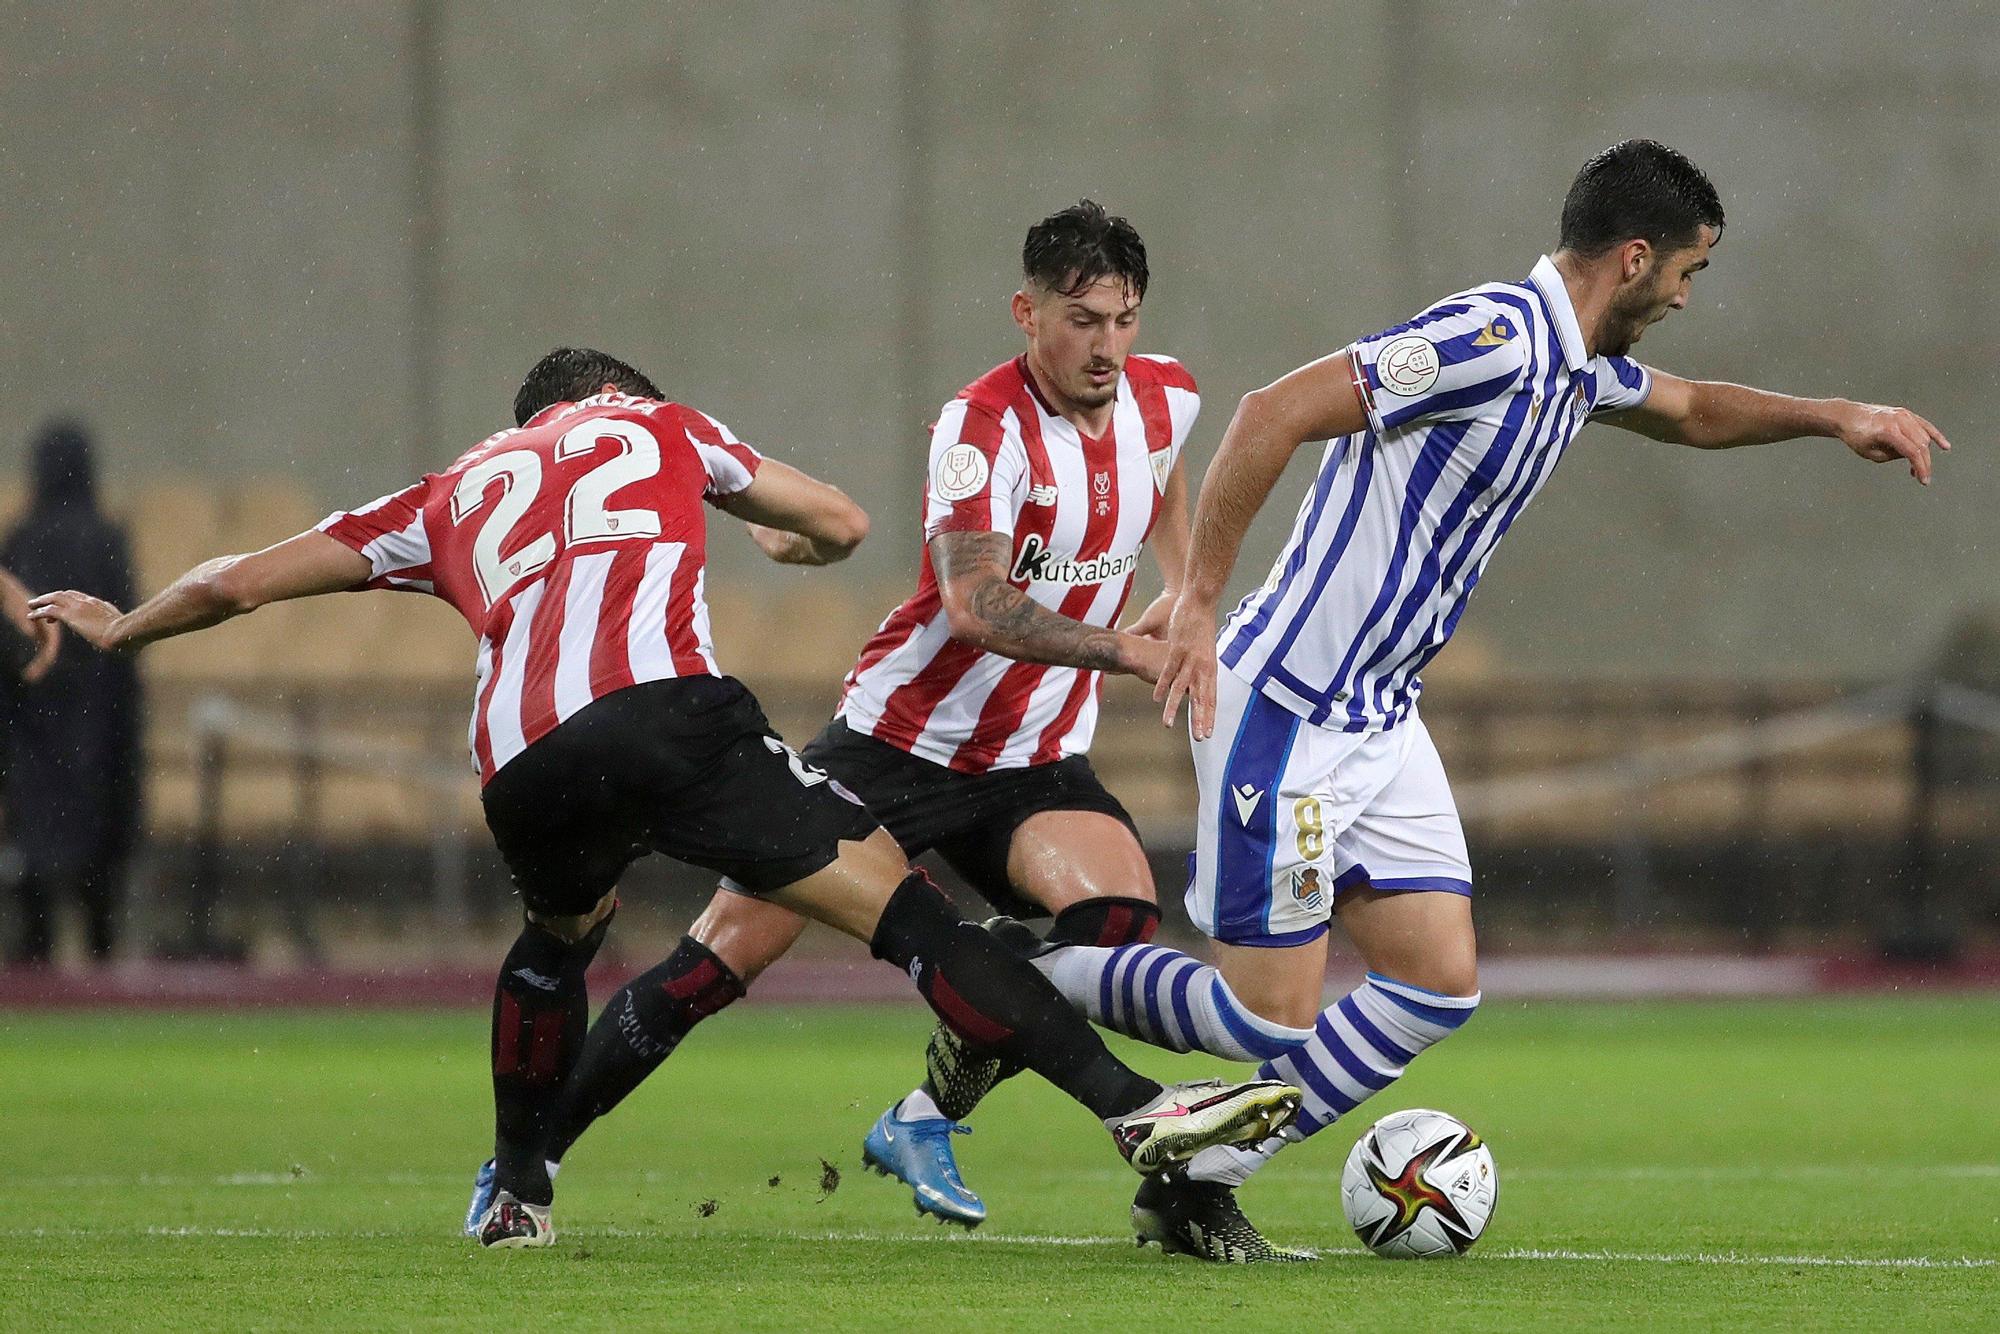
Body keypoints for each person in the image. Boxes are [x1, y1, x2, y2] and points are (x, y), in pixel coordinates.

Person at [29, 347, 1299, 1249]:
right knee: (911, 920)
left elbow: (240, 583)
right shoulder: (658, 425)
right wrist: (785, 537)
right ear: (610, 398)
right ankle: (1136, 1111)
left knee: (556, 940)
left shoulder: (446, 491)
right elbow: (840, 520)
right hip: (674, 716)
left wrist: (122, 628)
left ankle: (517, 1184)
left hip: (522, 758)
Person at [951, 140, 1951, 1262]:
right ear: (1633, 259)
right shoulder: (1487, 339)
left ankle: (1199, 1173)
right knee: (1265, 1017)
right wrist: (1193, 602)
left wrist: (1835, 414)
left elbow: (1693, 410)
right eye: (1686, 271)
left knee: (1433, 982)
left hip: (1380, 719)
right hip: (1286, 705)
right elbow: (1268, 413)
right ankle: (1005, 974)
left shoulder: (1570, 367)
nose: (1682, 294)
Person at [530, 200, 1203, 1230]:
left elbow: (1159, 477)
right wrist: (1125, 645)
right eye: (1079, 319)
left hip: (1036, 756)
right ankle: (523, 1160)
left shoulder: (1167, 400)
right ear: (1025, 313)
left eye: (1122, 319)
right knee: (717, 962)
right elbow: (973, 605)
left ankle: (922, 1112)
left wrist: (1185, 587)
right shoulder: (976, 431)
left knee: (1113, 923)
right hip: (899, 744)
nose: (1104, 344)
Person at [2, 422, 142, 965]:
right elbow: (128, 634)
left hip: (32, 720)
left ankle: (36, 982)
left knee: (35, 863)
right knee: (98, 870)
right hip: (101, 727)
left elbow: (12, 640)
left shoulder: (20, 539)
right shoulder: (107, 540)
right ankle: (102, 971)